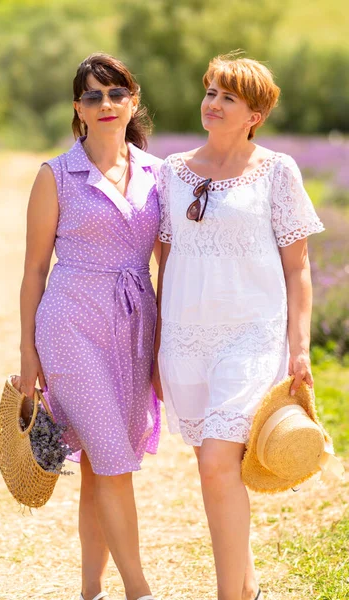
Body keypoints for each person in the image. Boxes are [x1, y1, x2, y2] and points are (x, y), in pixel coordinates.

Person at [153, 53, 324, 600]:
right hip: (185, 337)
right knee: (217, 469)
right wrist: (156, 344)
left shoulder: (277, 171)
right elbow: (163, 262)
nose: (213, 103)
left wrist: (300, 349)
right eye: (210, 92)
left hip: (251, 335)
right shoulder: (172, 172)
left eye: (229, 96)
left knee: (217, 462)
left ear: (255, 113)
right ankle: (247, 588)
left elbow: (298, 271)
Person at [19, 53, 161, 600]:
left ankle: (89, 591)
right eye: (93, 96)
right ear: (78, 108)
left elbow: (171, 265)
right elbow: (33, 271)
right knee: (113, 461)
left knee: (104, 468)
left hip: (134, 329)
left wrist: (164, 348)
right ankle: (139, 591)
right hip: (71, 326)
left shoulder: (159, 174)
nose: (105, 104)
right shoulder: (55, 175)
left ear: (134, 101)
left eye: (115, 93)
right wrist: (29, 359)